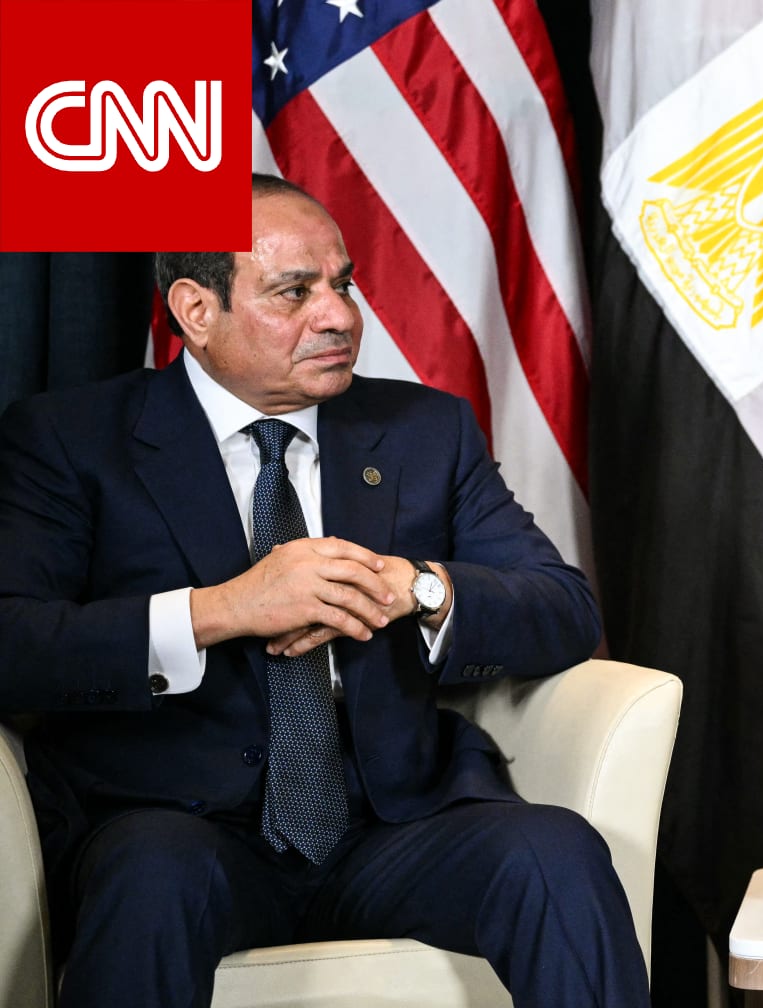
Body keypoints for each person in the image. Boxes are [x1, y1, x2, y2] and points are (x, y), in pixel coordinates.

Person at [0, 174, 649, 1007]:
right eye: (294, 291)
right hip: (177, 827)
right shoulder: (71, 439)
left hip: (394, 823)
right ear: (196, 311)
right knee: (151, 878)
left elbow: (564, 610)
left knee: (556, 854)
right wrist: (223, 610)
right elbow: (15, 644)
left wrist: (418, 589)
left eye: (343, 284)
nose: (339, 315)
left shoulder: (425, 430)